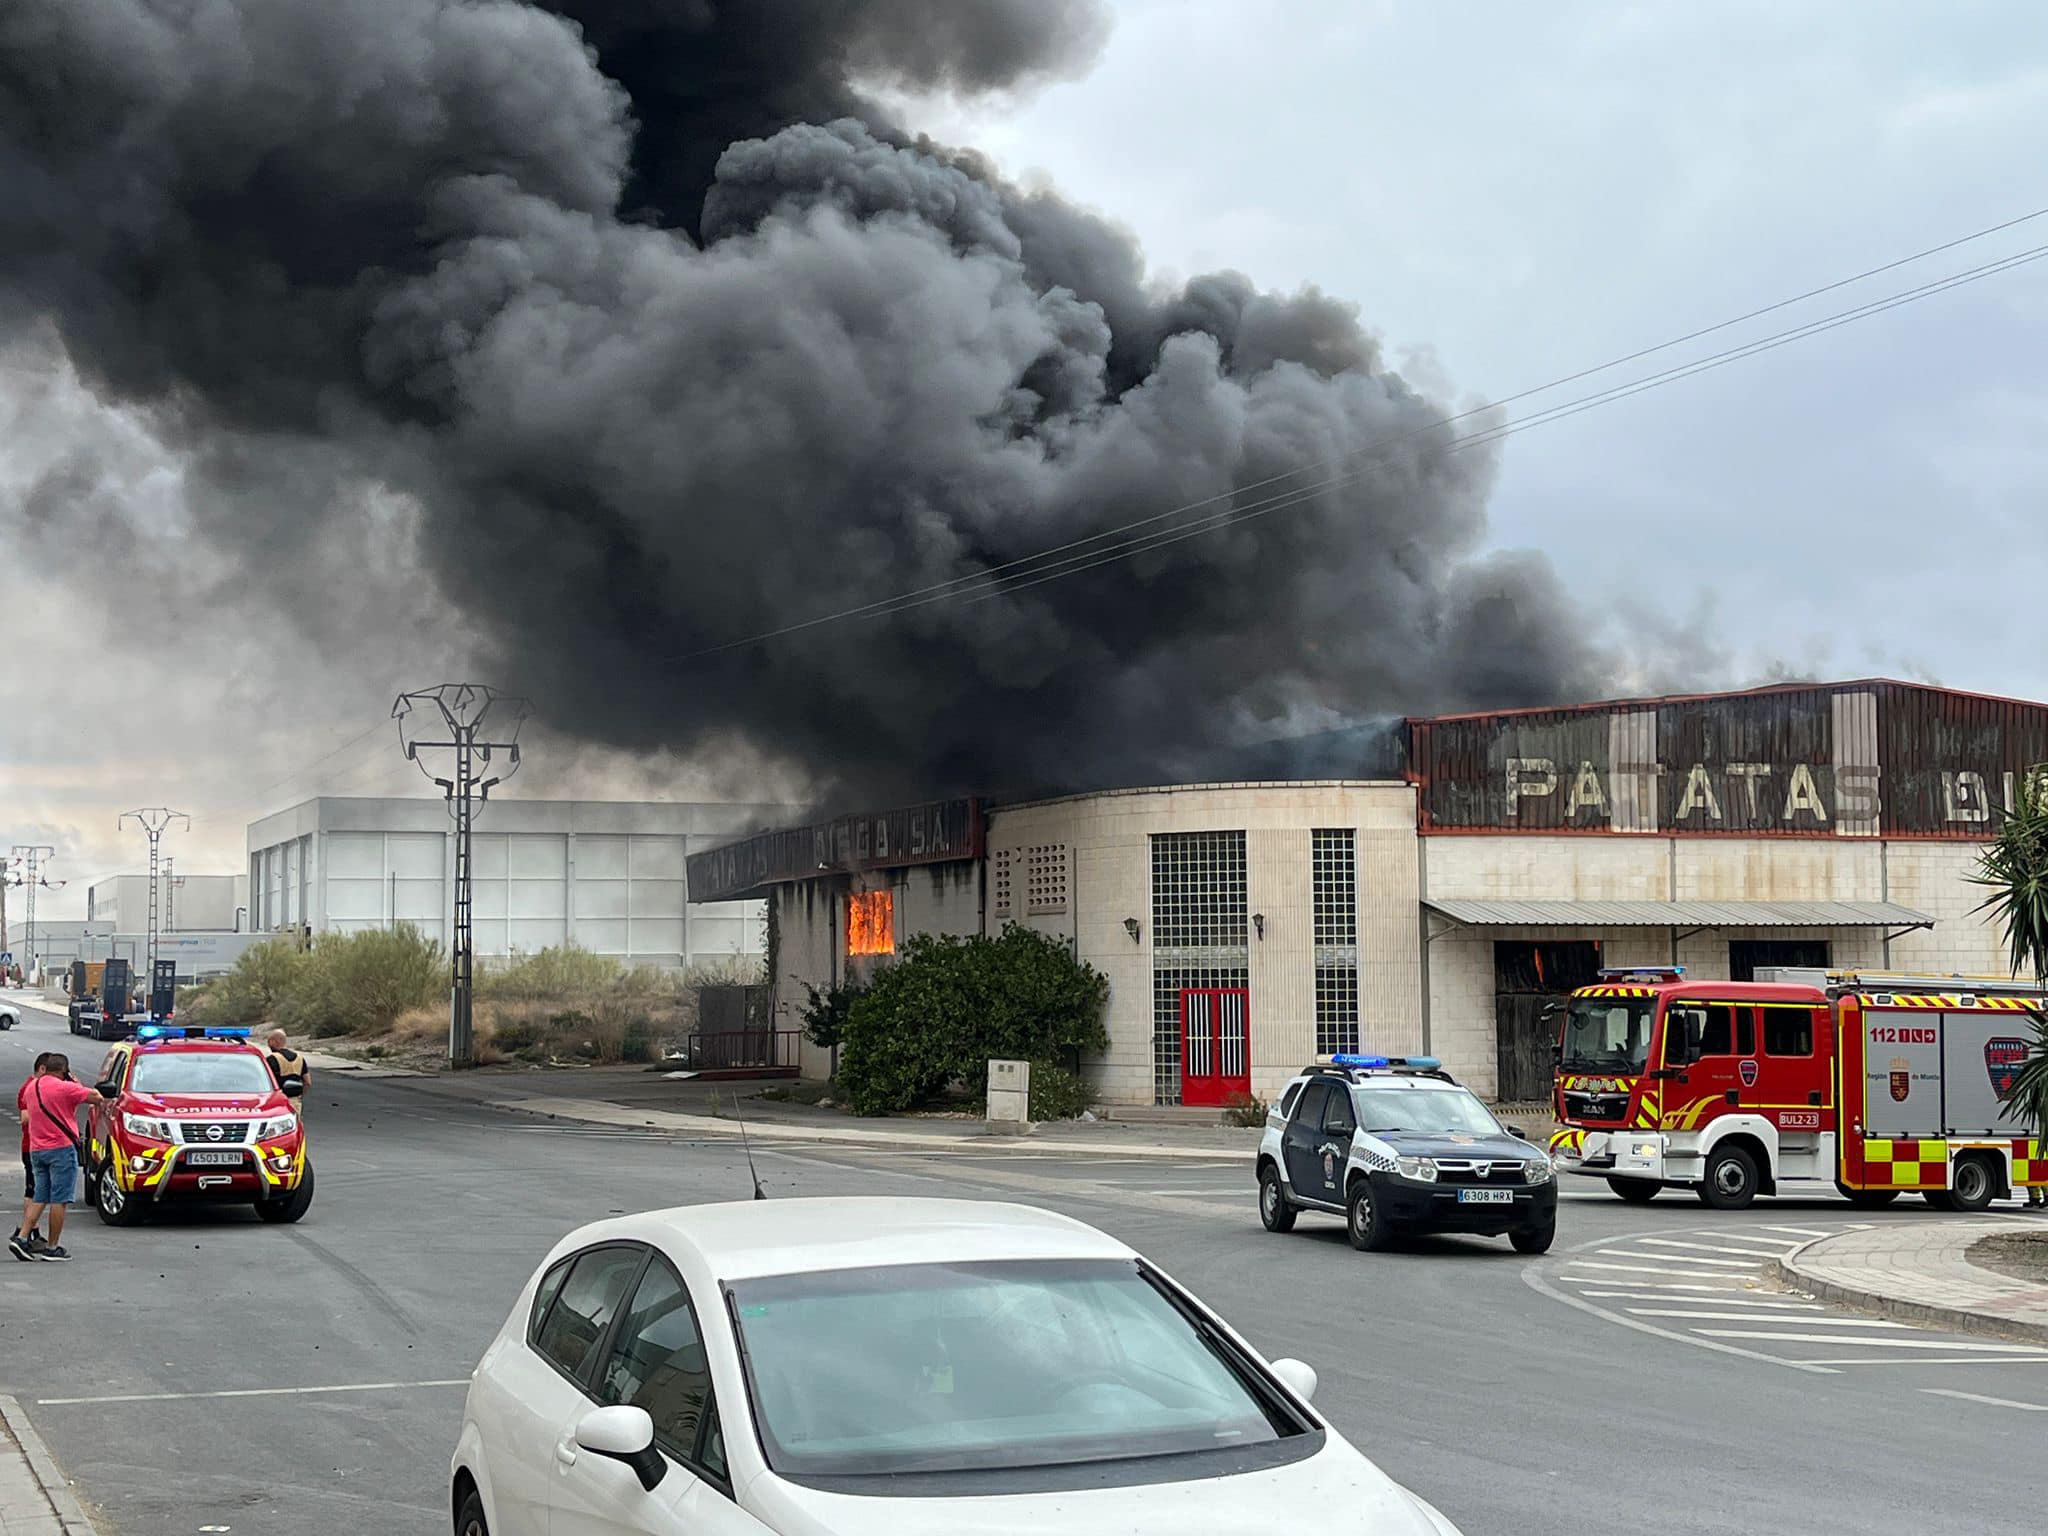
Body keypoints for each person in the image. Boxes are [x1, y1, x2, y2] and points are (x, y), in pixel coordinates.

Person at [13, 1053, 97, 1262]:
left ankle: (22, 1237)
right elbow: (96, 1097)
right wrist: (75, 1082)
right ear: (63, 1071)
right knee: (59, 1199)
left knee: (40, 1195)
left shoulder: (32, 1087)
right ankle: (52, 1247)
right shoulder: (65, 1087)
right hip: (61, 1149)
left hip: (37, 1150)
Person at [12, 1053, 52, 1255]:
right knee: (34, 1191)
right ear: (42, 1069)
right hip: (32, 1146)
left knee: (34, 1190)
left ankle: (29, 1231)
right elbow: (25, 1118)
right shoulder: (30, 1088)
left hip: (37, 1145)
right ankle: (30, 1233)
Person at [265, 1029, 309, 1106]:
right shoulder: (300, 1058)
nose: (268, 1045)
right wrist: (300, 1097)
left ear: (273, 1041)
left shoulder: (272, 1059)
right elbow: (308, 1082)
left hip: (277, 1102)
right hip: (295, 1102)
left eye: (269, 1042)